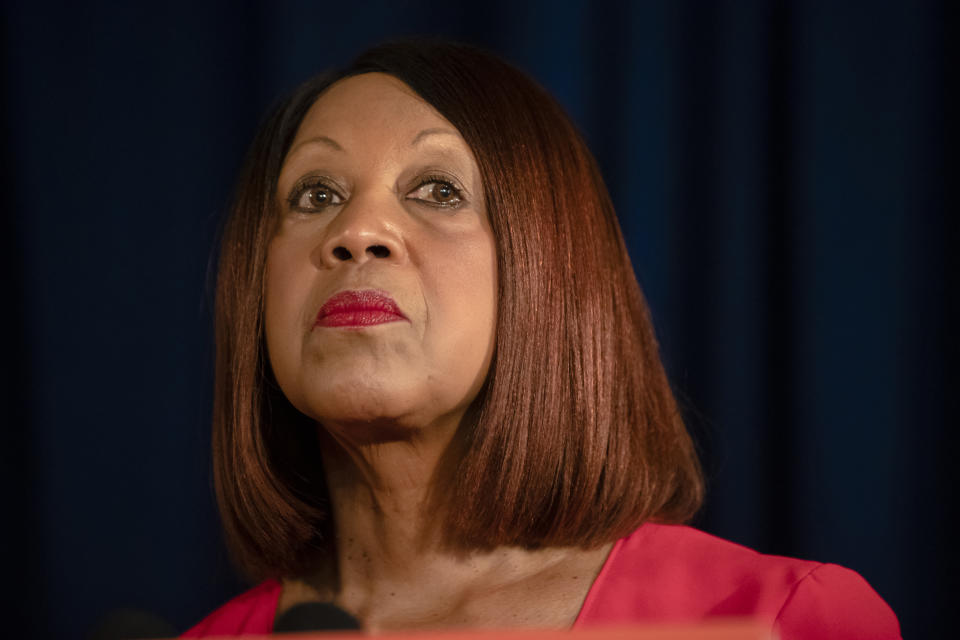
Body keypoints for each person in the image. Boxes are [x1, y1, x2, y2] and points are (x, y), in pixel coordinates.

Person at [184, 40, 899, 638]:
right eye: (317, 194)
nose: (357, 231)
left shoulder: (781, 619)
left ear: (548, 271)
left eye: (437, 189)